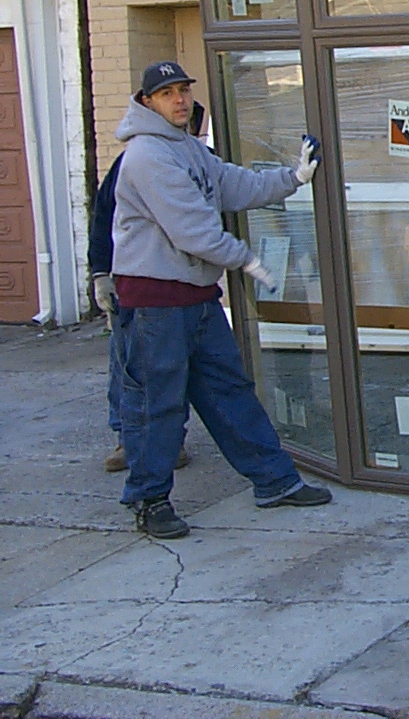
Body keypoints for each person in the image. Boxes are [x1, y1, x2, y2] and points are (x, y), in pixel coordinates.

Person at [113, 61, 332, 539]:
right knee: (159, 403)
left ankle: (274, 481)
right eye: (167, 93)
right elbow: (191, 228)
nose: (179, 100)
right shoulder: (147, 156)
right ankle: (149, 501)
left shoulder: (188, 148)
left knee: (228, 390)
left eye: (184, 90)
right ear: (146, 101)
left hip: (195, 296)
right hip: (155, 303)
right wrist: (247, 260)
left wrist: (293, 177)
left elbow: (233, 184)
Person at [93, 102, 204, 474]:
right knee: (127, 364)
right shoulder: (134, 161)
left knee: (170, 369)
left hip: (178, 286)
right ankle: (128, 437)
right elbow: (103, 216)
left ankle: (170, 442)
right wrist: (100, 274)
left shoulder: (196, 162)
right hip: (132, 282)